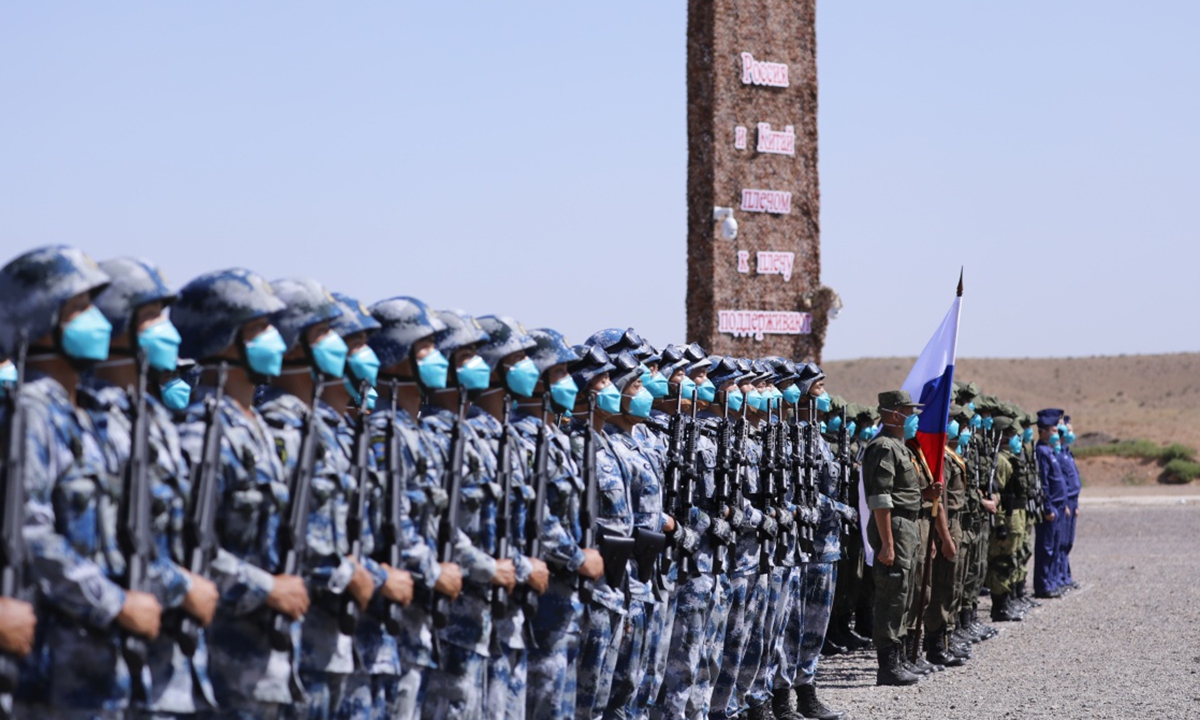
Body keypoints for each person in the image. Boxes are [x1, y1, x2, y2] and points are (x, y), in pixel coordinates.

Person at [0, 245, 162, 720]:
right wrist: (115, 603)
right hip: (54, 675)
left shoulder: (81, 415)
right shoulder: (32, 410)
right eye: (80, 309)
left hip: (101, 670)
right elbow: (30, 532)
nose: (99, 322)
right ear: (41, 319)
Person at [172, 268, 311, 720]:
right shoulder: (203, 435)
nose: (275, 340)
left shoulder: (262, 433)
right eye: (258, 329)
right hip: (226, 665)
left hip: (276, 660)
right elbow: (188, 549)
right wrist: (267, 588)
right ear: (222, 337)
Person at [88, 257, 222, 717]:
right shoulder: (93, 423)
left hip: (171, 658)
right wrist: (181, 585)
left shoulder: (154, 423)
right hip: (100, 656)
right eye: (150, 317)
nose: (166, 330)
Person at [366, 296, 465, 720]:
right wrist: (432, 569)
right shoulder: (382, 434)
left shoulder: (413, 432)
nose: (436, 356)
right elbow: (388, 523)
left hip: (420, 620)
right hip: (390, 623)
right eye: (424, 346)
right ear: (396, 353)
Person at [419, 309, 516, 720]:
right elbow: (432, 525)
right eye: (464, 357)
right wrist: (489, 567)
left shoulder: (469, 436)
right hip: (453, 609)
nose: (478, 366)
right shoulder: (435, 439)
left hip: (486, 609)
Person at [323, 291, 414, 720]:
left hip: (375, 635)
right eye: (355, 343)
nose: (367, 355)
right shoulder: (316, 439)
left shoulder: (351, 436)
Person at [472, 314, 552, 720]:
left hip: (514, 609)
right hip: (471, 614)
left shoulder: (508, 441)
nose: (528, 369)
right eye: (516, 359)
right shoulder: (467, 440)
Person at [861, 389, 929, 687]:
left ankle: (899, 657)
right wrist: (887, 543)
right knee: (891, 594)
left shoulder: (900, 447)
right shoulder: (883, 447)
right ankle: (887, 666)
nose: (912, 417)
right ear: (892, 413)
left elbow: (902, 492)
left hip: (907, 526)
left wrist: (927, 495)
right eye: (908, 411)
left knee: (904, 591)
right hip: (894, 527)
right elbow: (880, 499)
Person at [1033, 409, 1067, 599]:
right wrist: (1047, 507)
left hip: (1059, 505)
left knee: (1054, 546)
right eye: (1053, 431)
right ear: (1043, 432)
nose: (1056, 434)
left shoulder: (1049, 451)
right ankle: (1043, 585)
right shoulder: (1041, 452)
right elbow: (1043, 482)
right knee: (1045, 548)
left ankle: (1052, 582)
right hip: (1051, 507)